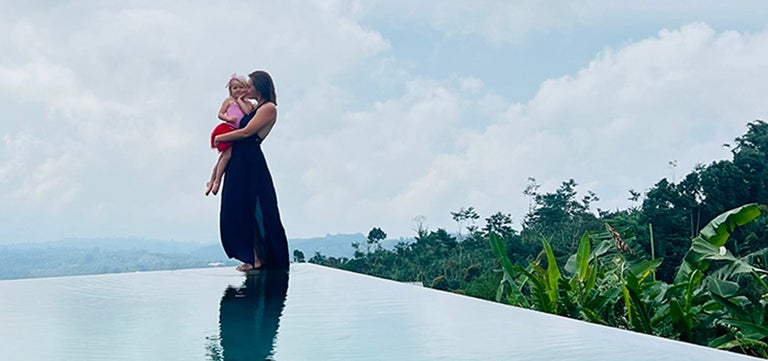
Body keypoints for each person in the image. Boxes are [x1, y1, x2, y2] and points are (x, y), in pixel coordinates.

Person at [214, 70, 289, 272]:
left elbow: (247, 132)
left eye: (250, 85)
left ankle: (260, 258)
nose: (247, 89)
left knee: (257, 209)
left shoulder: (268, 108)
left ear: (259, 87)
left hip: (251, 162)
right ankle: (252, 255)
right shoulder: (254, 107)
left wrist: (222, 138)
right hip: (239, 161)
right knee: (237, 207)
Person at [205, 74, 253, 196]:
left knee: (223, 157)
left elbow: (247, 113)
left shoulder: (248, 104)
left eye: (241, 88)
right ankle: (216, 181)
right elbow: (220, 114)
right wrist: (228, 118)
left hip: (237, 132)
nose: (238, 90)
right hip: (227, 129)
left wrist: (240, 100)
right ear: (230, 90)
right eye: (235, 88)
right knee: (226, 155)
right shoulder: (228, 101)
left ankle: (211, 181)